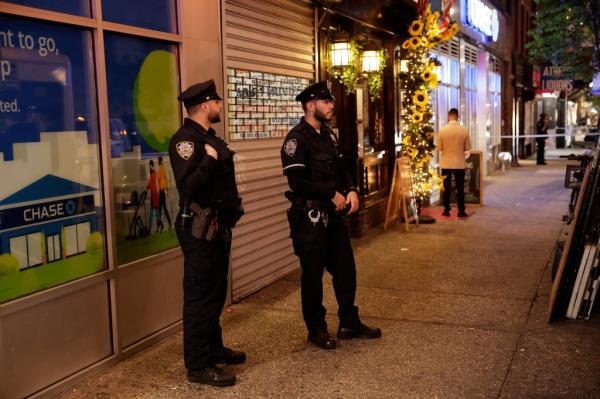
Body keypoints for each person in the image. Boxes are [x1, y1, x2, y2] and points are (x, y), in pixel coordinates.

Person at [280, 81, 381, 350]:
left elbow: (342, 166)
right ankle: (317, 329)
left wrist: (351, 190)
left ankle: (349, 322)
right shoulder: (296, 139)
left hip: (334, 218)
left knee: (345, 270)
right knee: (312, 277)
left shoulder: (328, 135)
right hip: (310, 220)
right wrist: (329, 194)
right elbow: (296, 182)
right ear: (310, 105)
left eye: (330, 101)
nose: (331, 105)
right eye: (326, 102)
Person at [169, 79, 245, 387]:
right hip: (199, 229)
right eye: (216, 102)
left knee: (214, 294)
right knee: (199, 297)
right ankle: (198, 366)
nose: (220, 106)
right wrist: (208, 160)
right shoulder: (185, 141)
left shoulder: (208, 137)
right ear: (204, 105)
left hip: (217, 228)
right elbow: (187, 186)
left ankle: (213, 349)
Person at [437, 108, 471, 218]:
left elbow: (439, 148)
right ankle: (461, 210)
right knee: (460, 188)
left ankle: (446, 209)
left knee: (446, 187)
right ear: (458, 117)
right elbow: (467, 148)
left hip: (446, 163)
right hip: (459, 163)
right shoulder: (464, 130)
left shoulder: (442, 130)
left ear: (448, 116)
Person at [146, 159, 162, 233]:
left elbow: (150, 185)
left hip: (154, 195)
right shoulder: (154, 173)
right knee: (156, 211)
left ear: (150, 165)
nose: (150, 166)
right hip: (155, 195)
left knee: (152, 213)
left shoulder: (152, 174)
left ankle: (149, 229)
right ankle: (160, 225)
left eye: (150, 165)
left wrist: (147, 186)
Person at [157, 156, 172, 229]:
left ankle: (161, 224)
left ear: (160, 161)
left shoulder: (161, 169)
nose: (158, 162)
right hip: (162, 191)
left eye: (158, 160)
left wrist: (166, 190)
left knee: (161, 208)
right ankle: (164, 223)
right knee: (162, 207)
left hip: (161, 191)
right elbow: (164, 181)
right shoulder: (162, 168)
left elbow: (158, 178)